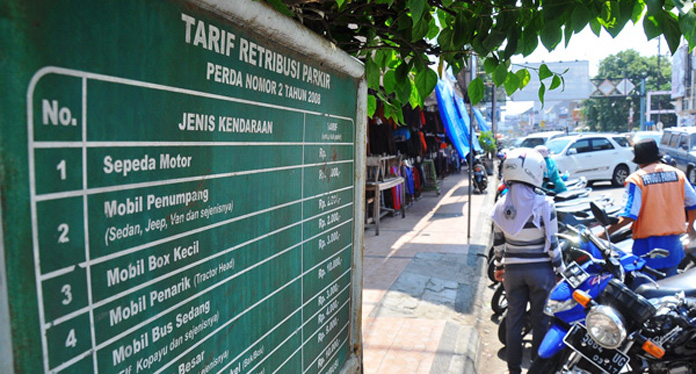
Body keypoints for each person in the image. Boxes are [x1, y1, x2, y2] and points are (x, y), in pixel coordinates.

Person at [491, 148, 564, 374]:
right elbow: (552, 244)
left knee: (514, 318)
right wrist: (561, 270)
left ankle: (513, 369)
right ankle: (537, 366)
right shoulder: (545, 204)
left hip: (513, 273)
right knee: (541, 319)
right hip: (540, 271)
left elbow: (498, 244)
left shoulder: (500, 206)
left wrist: (499, 266)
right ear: (534, 172)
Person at [603, 138, 696, 276]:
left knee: (646, 290)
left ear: (639, 160)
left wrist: (605, 234)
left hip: (647, 247)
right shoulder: (678, 174)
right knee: (670, 291)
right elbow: (693, 204)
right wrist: (690, 227)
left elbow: (629, 216)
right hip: (673, 244)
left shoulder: (636, 179)